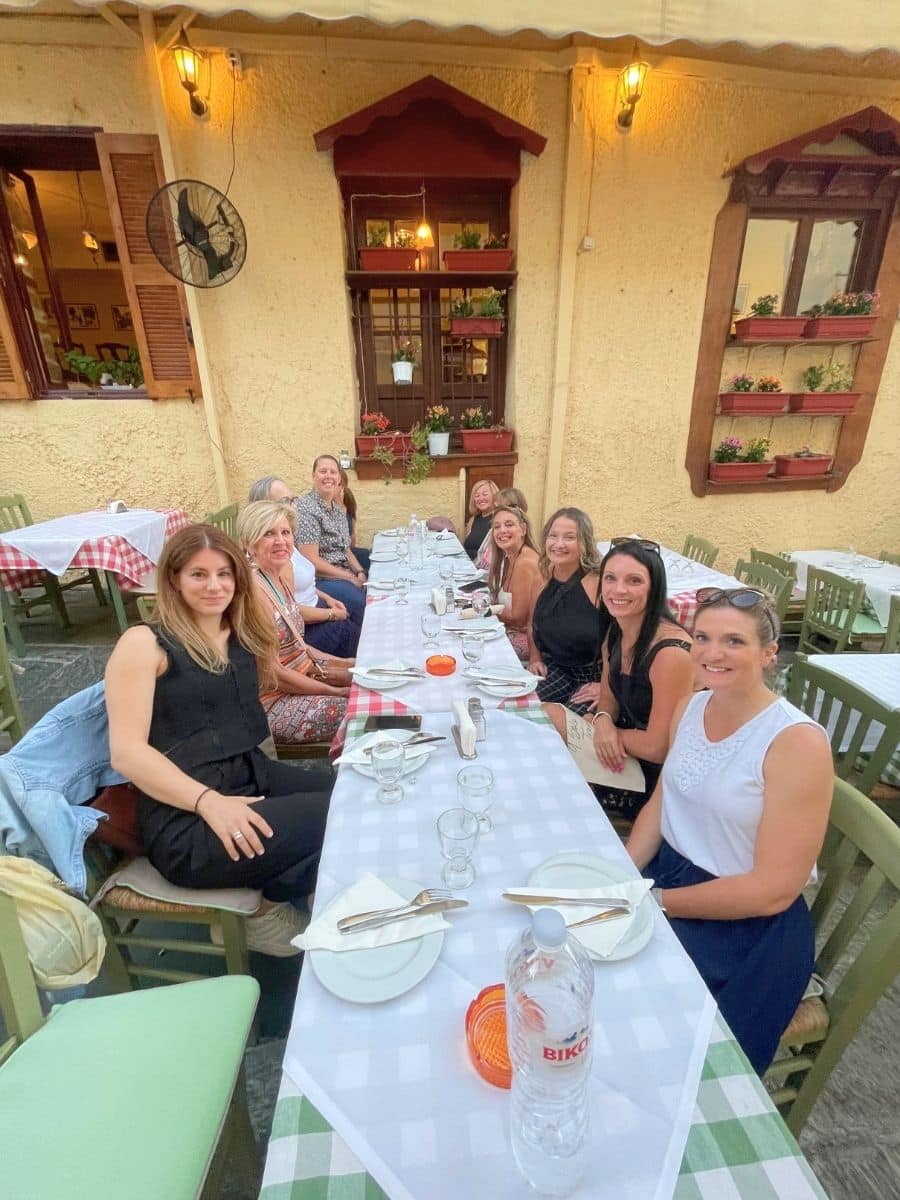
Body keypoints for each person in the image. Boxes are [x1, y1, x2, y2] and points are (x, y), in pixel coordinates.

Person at [626, 587, 832, 1074]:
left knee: (652, 1035)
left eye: (734, 641)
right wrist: (625, 874)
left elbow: (772, 891)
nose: (712, 653)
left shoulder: (795, 743)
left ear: (768, 653)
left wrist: (654, 904)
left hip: (744, 926)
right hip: (668, 876)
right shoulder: (692, 707)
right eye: (702, 637)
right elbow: (663, 801)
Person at [104, 524, 333, 957]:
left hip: (248, 776)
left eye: (224, 574)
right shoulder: (144, 644)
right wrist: (208, 802)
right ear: (173, 579)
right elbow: (127, 753)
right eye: (198, 574)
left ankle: (291, 888)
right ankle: (264, 914)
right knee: (335, 816)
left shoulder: (238, 632)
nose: (215, 585)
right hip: (188, 820)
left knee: (355, 794)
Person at [555, 538, 694, 821]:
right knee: (548, 720)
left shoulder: (670, 653)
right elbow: (607, 698)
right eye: (610, 578)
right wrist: (603, 720)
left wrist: (608, 733)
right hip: (620, 745)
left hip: (653, 776)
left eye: (634, 581)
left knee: (555, 774)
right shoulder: (617, 632)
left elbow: (659, 747)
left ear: (654, 588)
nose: (618, 590)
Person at [238, 501, 351, 747]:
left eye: (285, 532)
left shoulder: (276, 577)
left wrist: (351, 666)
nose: (281, 541)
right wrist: (336, 692)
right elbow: (275, 675)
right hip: (274, 702)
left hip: (302, 678)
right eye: (269, 533)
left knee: (371, 681)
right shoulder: (251, 594)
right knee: (362, 714)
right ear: (249, 542)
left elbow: (301, 650)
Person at [248, 475, 359, 655]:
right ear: (263, 507)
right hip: (305, 628)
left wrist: (327, 599)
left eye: (293, 499)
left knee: (362, 619)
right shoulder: (275, 555)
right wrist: (331, 614)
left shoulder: (287, 539)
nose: (293, 505)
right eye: (285, 501)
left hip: (317, 606)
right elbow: (289, 613)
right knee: (358, 631)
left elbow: (303, 583)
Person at [527, 508, 608, 709]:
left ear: (584, 543)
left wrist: (607, 686)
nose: (558, 544)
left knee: (567, 727)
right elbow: (531, 624)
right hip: (555, 668)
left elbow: (623, 643)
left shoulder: (599, 583)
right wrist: (535, 658)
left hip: (593, 677)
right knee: (521, 707)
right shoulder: (542, 577)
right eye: (553, 536)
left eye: (569, 537)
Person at [294, 454, 367, 624]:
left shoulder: (337, 509)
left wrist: (360, 572)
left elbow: (345, 548)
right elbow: (310, 559)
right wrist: (349, 578)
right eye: (323, 471)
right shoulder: (307, 510)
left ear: (339, 477)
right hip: (323, 579)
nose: (328, 476)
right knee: (362, 603)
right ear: (313, 477)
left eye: (333, 472)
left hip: (342, 571)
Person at [486, 504, 542, 660]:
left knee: (478, 649)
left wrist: (484, 609)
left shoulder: (525, 562)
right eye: (497, 527)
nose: (502, 530)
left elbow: (517, 617)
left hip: (529, 641)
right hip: (510, 629)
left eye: (509, 524)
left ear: (523, 529)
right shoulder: (510, 556)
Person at [338, 465, 370, 574]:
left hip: (347, 549)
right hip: (334, 556)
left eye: (340, 484)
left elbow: (351, 542)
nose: (338, 489)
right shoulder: (321, 508)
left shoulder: (348, 500)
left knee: (368, 555)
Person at [462, 478, 499, 560]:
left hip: (483, 569)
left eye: (485, 494)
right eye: (477, 496)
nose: (481, 498)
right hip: (467, 564)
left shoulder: (498, 519)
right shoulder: (473, 519)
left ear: (494, 496)